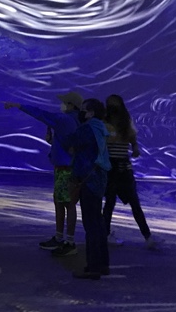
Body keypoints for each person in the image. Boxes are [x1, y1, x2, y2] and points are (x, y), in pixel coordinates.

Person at [5, 91, 83, 257]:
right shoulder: (78, 120)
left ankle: (68, 242)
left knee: (65, 203)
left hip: (65, 168)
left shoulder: (65, 119)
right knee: (64, 202)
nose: (62, 105)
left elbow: (42, 114)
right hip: (71, 167)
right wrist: (53, 141)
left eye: (65, 102)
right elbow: (68, 141)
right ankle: (61, 238)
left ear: (71, 105)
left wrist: (18, 105)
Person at [102, 94, 158, 249]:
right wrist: (133, 147)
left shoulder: (120, 122)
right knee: (118, 203)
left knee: (117, 203)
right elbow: (131, 141)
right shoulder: (112, 122)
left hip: (118, 167)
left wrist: (134, 147)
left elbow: (133, 140)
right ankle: (146, 237)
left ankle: (147, 236)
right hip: (116, 167)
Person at [65, 98, 111, 280]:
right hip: (99, 179)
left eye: (83, 109)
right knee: (98, 223)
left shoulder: (87, 128)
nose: (81, 112)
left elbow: (69, 141)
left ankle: (93, 267)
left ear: (91, 113)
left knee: (91, 224)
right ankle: (103, 264)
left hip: (88, 180)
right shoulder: (100, 127)